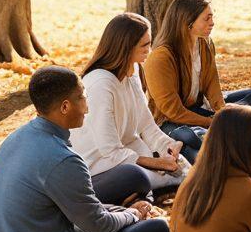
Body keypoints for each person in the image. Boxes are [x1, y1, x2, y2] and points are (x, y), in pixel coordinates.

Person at [0, 66, 170, 232]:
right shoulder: (62, 160)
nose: (87, 107)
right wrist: (133, 215)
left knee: (133, 174)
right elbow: (98, 226)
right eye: (82, 98)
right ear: (65, 107)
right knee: (157, 231)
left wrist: (114, 212)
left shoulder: (17, 137)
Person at [70, 13, 188, 191]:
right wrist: (159, 164)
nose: (149, 50)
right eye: (144, 45)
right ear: (125, 48)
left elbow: (146, 125)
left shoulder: (132, 70)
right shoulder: (100, 84)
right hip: (102, 167)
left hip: (132, 155)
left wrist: (168, 147)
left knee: (189, 167)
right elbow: (110, 152)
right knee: (149, 178)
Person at [143, 0, 251, 163]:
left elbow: (212, 83)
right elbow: (172, 111)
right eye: (207, 18)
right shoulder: (161, 58)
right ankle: (200, 151)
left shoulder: (204, 43)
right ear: (188, 21)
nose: (212, 23)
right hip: (170, 119)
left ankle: (217, 133)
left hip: (196, 108)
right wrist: (211, 121)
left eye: (212, 17)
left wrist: (221, 111)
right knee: (193, 139)